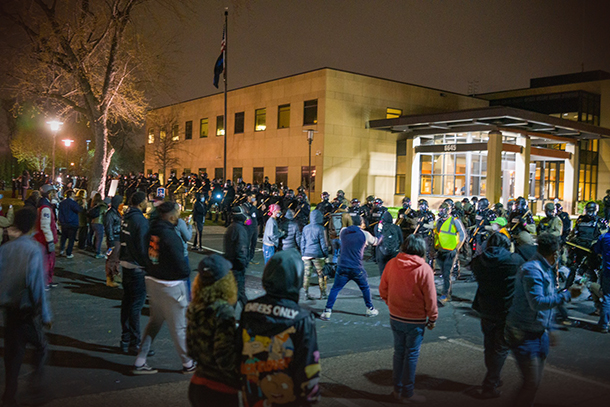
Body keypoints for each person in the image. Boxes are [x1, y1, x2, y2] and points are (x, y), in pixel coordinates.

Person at [238, 249, 321, 407]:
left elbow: (238, 351)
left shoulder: (249, 309)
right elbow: (309, 367)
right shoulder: (301, 318)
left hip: (254, 397)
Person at [505, 233, 573, 407]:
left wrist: (551, 328)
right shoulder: (532, 270)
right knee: (531, 382)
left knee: (533, 384)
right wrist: (567, 296)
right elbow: (537, 302)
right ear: (555, 253)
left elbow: (547, 299)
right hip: (523, 331)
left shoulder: (546, 268)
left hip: (539, 331)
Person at [133, 202, 195, 374]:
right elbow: (181, 264)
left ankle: (140, 360)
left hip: (153, 280)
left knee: (155, 322)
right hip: (171, 284)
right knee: (179, 326)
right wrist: (184, 273)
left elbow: (142, 253)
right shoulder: (170, 235)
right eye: (176, 213)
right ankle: (188, 363)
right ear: (171, 216)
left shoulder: (151, 231)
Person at [0, 207, 52, 407]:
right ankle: (35, 387)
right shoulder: (33, 249)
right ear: (32, 225)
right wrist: (46, 314)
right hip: (27, 310)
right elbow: (37, 284)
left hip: (9, 310)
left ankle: (9, 395)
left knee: (13, 355)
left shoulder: (5, 249)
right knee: (40, 346)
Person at [379, 234, 437, 403]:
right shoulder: (424, 269)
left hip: (396, 316)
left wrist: (391, 304)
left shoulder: (392, 264)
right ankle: (407, 393)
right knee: (411, 355)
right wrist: (432, 318)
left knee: (399, 353)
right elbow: (431, 298)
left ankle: (397, 390)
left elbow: (383, 290)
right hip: (416, 319)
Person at [471, 232, 524, 399]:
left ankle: (494, 376)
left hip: (486, 306)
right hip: (505, 308)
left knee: (489, 344)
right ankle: (490, 384)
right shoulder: (514, 260)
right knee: (500, 348)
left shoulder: (478, 261)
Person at [187, 255, 240, 407]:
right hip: (220, 390)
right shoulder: (223, 312)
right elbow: (224, 358)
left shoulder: (195, 307)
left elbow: (191, 350)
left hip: (197, 383)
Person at [321, 214, 381, 320]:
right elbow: (375, 242)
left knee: (335, 288)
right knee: (365, 288)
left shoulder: (343, 232)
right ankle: (370, 309)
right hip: (356, 267)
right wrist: (381, 235)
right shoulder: (364, 234)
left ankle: (327, 311)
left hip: (342, 265)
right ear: (361, 223)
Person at [119, 191, 150, 354]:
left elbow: (121, 239)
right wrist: (149, 266)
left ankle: (125, 339)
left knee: (127, 303)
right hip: (137, 268)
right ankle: (135, 343)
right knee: (136, 306)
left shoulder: (127, 218)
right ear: (141, 202)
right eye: (147, 200)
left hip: (126, 266)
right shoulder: (141, 221)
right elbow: (143, 247)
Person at [434, 203, 466, 303]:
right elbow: (436, 235)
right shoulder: (439, 221)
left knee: (447, 273)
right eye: (440, 210)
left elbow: (462, 234)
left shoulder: (454, 221)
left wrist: (457, 248)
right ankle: (448, 291)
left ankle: (445, 294)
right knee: (444, 273)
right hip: (440, 251)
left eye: (443, 210)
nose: (441, 212)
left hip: (450, 251)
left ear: (448, 211)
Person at [223, 205, 250, 310]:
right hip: (237, 266)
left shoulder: (231, 228)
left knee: (237, 293)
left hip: (231, 264)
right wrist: (242, 264)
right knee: (238, 293)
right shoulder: (239, 229)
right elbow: (241, 249)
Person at [34, 184, 59, 290]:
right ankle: (45, 282)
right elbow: (45, 225)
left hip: (44, 239)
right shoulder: (45, 208)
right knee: (47, 261)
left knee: (49, 261)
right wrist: (49, 240)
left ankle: (48, 280)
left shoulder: (45, 206)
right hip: (44, 240)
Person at [301, 209, 329, 300]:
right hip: (318, 255)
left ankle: (305, 293)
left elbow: (302, 242)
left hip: (306, 254)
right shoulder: (320, 228)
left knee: (306, 275)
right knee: (321, 275)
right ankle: (323, 294)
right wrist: (326, 254)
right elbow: (323, 244)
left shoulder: (305, 228)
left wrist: (303, 253)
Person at [593, 229, 610, 333]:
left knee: (607, 297)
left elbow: (597, 250)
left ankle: (603, 325)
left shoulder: (604, 237)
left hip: (608, 271)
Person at [375, 211, 403, 275]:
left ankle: (383, 283)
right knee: (393, 271)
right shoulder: (396, 227)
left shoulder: (378, 227)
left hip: (381, 251)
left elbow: (377, 238)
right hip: (394, 252)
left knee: (382, 270)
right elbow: (401, 240)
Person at [104, 195, 123, 288]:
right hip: (114, 239)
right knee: (112, 259)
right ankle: (110, 278)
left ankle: (116, 274)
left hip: (118, 238)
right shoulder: (110, 214)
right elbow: (109, 229)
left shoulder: (116, 212)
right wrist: (111, 241)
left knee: (117, 259)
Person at [58, 189, 82, 259]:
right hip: (72, 223)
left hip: (64, 223)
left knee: (63, 237)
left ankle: (61, 250)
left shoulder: (63, 203)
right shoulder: (73, 203)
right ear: (71, 195)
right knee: (71, 239)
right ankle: (68, 253)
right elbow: (78, 209)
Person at [89, 194, 108, 258]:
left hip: (93, 222)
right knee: (99, 238)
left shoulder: (94, 204)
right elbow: (105, 215)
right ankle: (98, 252)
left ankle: (95, 248)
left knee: (95, 237)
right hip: (99, 223)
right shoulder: (103, 206)